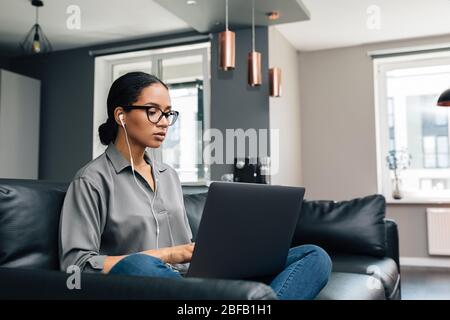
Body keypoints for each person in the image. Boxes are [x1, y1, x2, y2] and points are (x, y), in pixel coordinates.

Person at [59, 71, 332, 300]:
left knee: (314, 255)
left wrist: (223, 251)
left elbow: (188, 248)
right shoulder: (92, 180)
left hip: (194, 281)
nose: (165, 123)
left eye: (168, 114)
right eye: (153, 112)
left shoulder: (169, 175)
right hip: (146, 284)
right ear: (121, 115)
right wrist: (168, 254)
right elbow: (75, 267)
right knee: (139, 263)